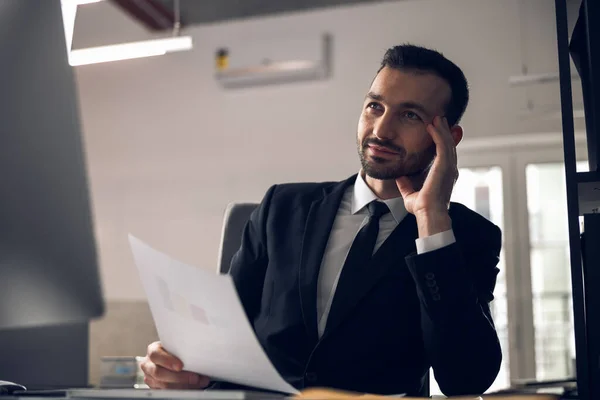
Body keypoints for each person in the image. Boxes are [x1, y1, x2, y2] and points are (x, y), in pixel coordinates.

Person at [140, 44, 502, 397]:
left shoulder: (465, 235)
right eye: (375, 106)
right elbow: (224, 339)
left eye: (410, 115)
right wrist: (182, 369)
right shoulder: (281, 207)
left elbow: (465, 379)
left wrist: (431, 219)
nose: (381, 130)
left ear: (448, 139)